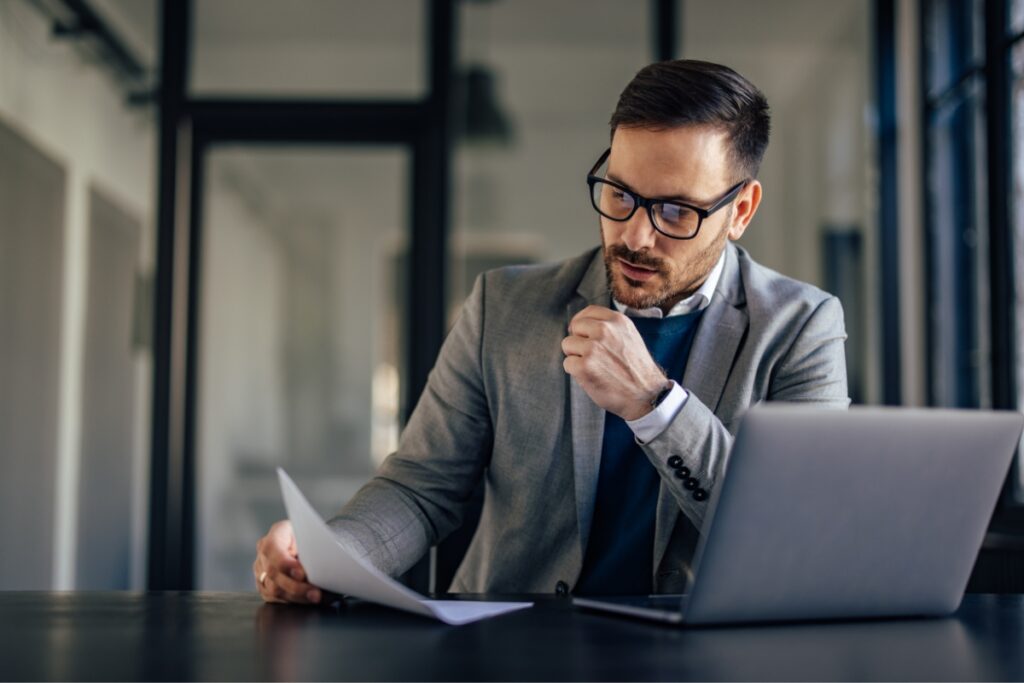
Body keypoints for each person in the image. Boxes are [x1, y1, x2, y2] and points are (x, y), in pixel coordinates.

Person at [253, 59, 850, 604]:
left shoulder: (802, 328)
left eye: (675, 211)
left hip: (695, 657)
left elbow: (800, 532)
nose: (635, 237)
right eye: (620, 194)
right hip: (509, 650)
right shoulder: (501, 306)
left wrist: (656, 406)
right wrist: (328, 558)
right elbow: (420, 487)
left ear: (741, 211)